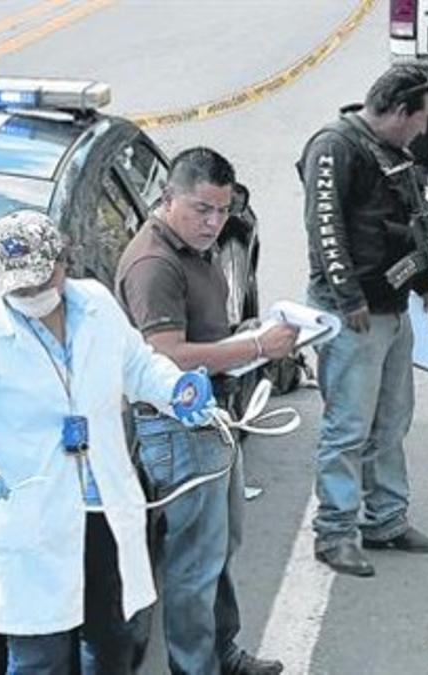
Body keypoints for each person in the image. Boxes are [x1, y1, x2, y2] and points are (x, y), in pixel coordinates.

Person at [0, 210, 213, 674]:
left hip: (101, 509)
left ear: (63, 262)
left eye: (39, 281)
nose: (31, 295)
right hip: (28, 513)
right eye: (20, 288)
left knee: (112, 643)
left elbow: (136, 365)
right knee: (40, 658)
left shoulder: (96, 306)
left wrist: (176, 391)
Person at [115, 148, 294, 675]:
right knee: (194, 564)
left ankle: (222, 653)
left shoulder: (196, 245)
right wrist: (257, 349)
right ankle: (197, 667)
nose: (214, 223)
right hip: (177, 427)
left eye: (222, 211)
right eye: (201, 210)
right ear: (168, 198)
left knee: (219, 547)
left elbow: (200, 335)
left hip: (210, 417)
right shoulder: (154, 263)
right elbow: (166, 355)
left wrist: (246, 336)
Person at [296, 65, 428, 576]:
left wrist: (426, 287)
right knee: (347, 429)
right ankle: (335, 533)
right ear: (400, 111)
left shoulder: (393, 152)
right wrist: (348, 298)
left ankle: (386, 519)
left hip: (392, 308)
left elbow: (409, 228)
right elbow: (324, 227)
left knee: (391, 421)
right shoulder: (335, 146)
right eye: (422, 118)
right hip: (353, 315)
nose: (424, 130)